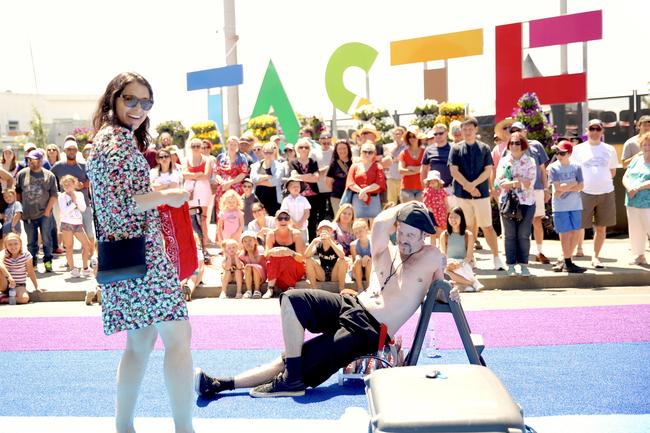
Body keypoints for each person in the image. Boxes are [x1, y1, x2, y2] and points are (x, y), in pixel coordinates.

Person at [193, 201, 455, 398]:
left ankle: (225, 384)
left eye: (412, 235)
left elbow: (440, 290)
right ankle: (290, 377)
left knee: (293, 360)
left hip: (369, 330)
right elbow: (380, 225)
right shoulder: (386, 252)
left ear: (424, 236)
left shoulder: (431, 256)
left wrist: (451, 292)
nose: (405, 239)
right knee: (293, 299)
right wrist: (405, 207)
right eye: (403, 232)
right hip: (351, 304)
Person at [86, 72, 194, 433]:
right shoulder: (116, 142)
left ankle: (124, 427)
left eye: (146, 102)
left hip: (123, 256)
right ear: (113, 99)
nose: (138, 108)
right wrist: (167, 196)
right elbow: (123, 205)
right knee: (177, 338)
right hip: (142, 255)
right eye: (130, 99)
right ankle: (184, 429)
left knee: (141, 341)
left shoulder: (106, 140)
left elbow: (113, 206)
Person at [448, 117, 506, 271]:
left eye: (470, 129)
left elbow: (488, 170)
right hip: (462, 194)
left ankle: (496, 258)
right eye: (464, 129)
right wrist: (467, 186)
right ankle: (470, 258)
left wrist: (473, 185)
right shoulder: (455, 149)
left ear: (475, 129)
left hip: (481, 194)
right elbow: (454, 170)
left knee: (487, 226)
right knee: (467, 227)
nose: (467, 132)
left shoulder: (484, 148)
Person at [569, 119, 619, 268]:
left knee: (601, 227)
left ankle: (596, 257)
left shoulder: (609, 149)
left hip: (606, 192)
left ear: (602, 131)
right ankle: (569, 256)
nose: (595, 132)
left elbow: (613, 172)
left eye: (598, 129)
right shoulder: (578, 149)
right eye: (592, 129)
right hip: (585, 192)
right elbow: (574, 170)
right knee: (578, 226)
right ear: (586, 131)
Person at [508, 122, 551, 265]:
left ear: (525, 131)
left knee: (537, 220)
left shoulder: (536, 145)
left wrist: (546, 188)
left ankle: (539, 252)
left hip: (536, 188)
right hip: (514, 191)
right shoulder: (510, 146)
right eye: (513, 130)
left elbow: (542, 170)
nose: (516, 132)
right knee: (516, 222)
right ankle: (520, 254)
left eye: (518, 130)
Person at [494, 132, 537, 276]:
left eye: (517, 143)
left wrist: (511, 183)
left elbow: (529, 183)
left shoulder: (530, 161)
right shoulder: (504, 161)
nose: (514, 146)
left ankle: (524, 265)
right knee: (510, 235)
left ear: (523, 144)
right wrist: (518, 182)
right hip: (507, 202)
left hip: (527, 202)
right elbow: (500, 183)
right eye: (511, 143)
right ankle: (511, 265)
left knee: (524, 235)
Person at [15, 149, 58, 273]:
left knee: (47, 239)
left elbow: (54, 195)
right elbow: (18, 192)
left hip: (45, 214)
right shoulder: (22, 174)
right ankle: (32, 263)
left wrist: (47, 210)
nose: (33, 163)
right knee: (31, 242)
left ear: (41, 160)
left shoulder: (49, 175)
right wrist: (20, 209)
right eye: (30, 160)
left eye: (35, 160)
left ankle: (48, 261)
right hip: (28, 214)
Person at [547, 140, 586, 273]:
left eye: (562, 153)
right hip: (560, 206)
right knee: (564, 234)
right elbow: (557, 187)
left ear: (569, 153)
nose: (558, 155)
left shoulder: (577, 167)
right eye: (557, 152)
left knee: (575, 232)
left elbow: (581, 186)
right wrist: (572, 184)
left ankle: (566, 260)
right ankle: (567, 262)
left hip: (575, 205)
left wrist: (565, 187)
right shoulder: (553, 167)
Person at [51, 136, 96, 247]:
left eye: (74, 149)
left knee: (89, 233)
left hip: (84, 204)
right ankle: (69, 261)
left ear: (77, 151)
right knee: (69, 236)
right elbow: (49, 179)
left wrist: (85, 184)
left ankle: (91, 259)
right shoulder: (58, 166)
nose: (71, 151)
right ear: (65, 151)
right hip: (67, 207)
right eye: (69, 149)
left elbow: (93, 180)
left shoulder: (84, 165)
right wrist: (57, 193)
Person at [58, 175, 94, 281]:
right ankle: (73, 268)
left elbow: (82, 208)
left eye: (69, 184)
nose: (67, 186)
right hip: (66, 224)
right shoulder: (61, 196)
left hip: (78, 223)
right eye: (65, 184)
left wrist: (75, 200)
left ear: (74, 184)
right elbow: (64, 211)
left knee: (87, 245)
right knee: (69, 247)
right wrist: (73, 202)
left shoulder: (79, 194)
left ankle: (85, 267)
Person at [263, 209, 306, 298]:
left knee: (287, 257)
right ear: (275, 221)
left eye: (286, 218)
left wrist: (290, 252)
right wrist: (275, 252)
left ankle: (290, 286)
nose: (283, 221)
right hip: (277, 272)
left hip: (295, 271)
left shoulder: (296, 234)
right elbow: (266, 255)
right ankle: (270, 288)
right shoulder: (271, 234)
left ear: (290, 221)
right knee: (274, 257)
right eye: (280, 218)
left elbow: (301, 258)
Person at [622, 131, 650, 265]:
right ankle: (640, 256)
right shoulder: (636, 159)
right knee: (635, 229)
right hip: (632, 201)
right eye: (645, 144)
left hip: (647, 202)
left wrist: (637, 188)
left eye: (649, 144)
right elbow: (625, 176)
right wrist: (629, 188)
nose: (647, 147)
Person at [440, 207, 483, 292]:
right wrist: (449, 263)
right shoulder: (444, 235)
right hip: (449, 263)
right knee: (445, 271)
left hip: (464, 263)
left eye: (455, 217)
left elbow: (469, 257)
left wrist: (460, 264)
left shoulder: (468, 235)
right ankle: (472, 283)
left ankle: (465, 285)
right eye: (450, 217)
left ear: (461, 218)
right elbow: (443, 253)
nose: (453, 220)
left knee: (460, 269)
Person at [346, 142, 386, 225]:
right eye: (365, 151)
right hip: (358, 198)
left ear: (374, 154)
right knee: (358, 223)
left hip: (373, 199)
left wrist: (364, 190)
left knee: (375, 223)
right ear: (360, 152)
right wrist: (361, 192)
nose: (367, 154)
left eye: (370, 152)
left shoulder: (378, 166)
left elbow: (379, 183)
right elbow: (350, 183)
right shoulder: (354, 166)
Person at [183, 137, 212, 251]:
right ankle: (194, 244)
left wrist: (192, 175)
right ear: (190, 148)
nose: (195, 148)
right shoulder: (186, 159)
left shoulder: (207, 159)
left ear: (201, 148)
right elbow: (184, 174)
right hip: (190, 191)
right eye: (193, 146)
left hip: (203, 191)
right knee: (191, 218)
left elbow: (206, 175)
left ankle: (204, 244)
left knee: (203, 218)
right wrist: (198, 174)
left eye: (198, 146)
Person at [289, 138, 321, 240]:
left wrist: (301, 176)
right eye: (301, 147)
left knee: (312, 221)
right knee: (297, 220)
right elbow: (294, 177)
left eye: (306, 147)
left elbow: (316, 178)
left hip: (313, 197)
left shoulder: (313, 162)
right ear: (297, 149)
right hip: (298, 196)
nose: (303, 149)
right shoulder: (293, 162)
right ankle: (297, 242)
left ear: (309, 149)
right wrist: (309, 175)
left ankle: (312, 243)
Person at [304, 220, 348, 293]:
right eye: (323, 229)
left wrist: (330, 241)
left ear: (331, 231)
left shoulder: (336, 244)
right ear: (318, 232)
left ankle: (341, 289)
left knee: (342, 260)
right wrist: (313, 241)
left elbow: (342, 255)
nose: (325, 231)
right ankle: (314, 290)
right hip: (322, 274)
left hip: (335, 274)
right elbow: (306, 255)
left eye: (328, 229)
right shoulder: (318, 244)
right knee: (308, 260)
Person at [214, 136, 249, 224]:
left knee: (235, 212)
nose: (232, 146)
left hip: (236, 189)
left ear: (237, 146)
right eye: (230, 144)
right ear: (227, 145)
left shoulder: (242, 158)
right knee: (222, 211)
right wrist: (222, 182)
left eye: (234, 144)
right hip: (222, 188)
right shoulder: (220, 157)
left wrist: (230, 182)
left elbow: (243, 173)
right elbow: (216, 173)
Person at [0, 233, 40, 304]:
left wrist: (36, 286)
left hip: (19, 284)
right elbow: (0, 263)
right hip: (5, 283)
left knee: (24, 299)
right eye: (10, 244)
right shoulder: (4, 253)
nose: (13, 246)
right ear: (6, 246)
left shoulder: (26, 254)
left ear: (20, 244)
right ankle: (5, 292)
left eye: (16, 243)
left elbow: (30, 271)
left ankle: (4, 299)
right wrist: (9, 277)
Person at [420, 123, 454, 203]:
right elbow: (423, 169)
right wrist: (425, 187)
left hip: (451, 188)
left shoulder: (454, 148)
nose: (438, 136)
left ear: (446, 133)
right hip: (434, 189)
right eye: (435, 134)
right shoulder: (429, 150)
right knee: (435, 214)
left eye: (441, 133)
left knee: (452, 214)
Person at [250, 142, 283, 217]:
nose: (268, 155)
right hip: (258, 200)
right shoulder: (255, 166)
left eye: (270, 152)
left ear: (274, 152)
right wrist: (267, 177)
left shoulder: (279, 166)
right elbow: (253, 179)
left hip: (274, 201)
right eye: (266, 152)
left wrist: (259, 182)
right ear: (262, 152)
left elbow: (275, 182)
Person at [280, 176, 311, 243]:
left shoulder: (304, 199)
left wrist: (301, 222)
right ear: (288, 188)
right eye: (293, 186)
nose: (296, 188)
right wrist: (294, 223)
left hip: (302, 227)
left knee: (303, 243)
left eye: (298, 186)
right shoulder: (286, 200)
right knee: (291, 243)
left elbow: (307, 212)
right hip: (290, 227)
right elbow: (285, 212)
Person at [398, 126, 425, 202]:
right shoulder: (403, 153)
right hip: (406, 188)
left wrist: (410, 168)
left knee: (421, 212)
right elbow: (401, 171)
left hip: (422, 188)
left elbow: (428, 169)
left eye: (414, 136)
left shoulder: (425, 152)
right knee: (409, 212)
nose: (412, 139)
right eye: (409, 137)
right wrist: (419, 169)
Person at [325, 139, 352, 215]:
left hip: (352, 196)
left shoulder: (353, 162)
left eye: (344, 148)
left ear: (348, 149)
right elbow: (328, 182)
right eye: (339, 149)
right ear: (336, 151)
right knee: (338, 218)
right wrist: (336, 189)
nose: (342, 151)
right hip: (337, 197)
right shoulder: (333, 164)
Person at [421, 170, 448, 246]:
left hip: (441, 213)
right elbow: (425, 203)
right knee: (432, 232)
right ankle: (433, 247)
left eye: (434, 180)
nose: (432, 182)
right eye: (430, 181)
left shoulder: (443, 191)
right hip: (431, 213)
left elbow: (446, 202)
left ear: (439, 182)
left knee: (440, 231)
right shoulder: (427, 191)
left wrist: (447, 211)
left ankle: (441, 246)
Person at [314, 131, 335, 220]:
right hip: (320, 187)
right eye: (324, 142)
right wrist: (324, 169)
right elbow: (312, 170)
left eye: (328, 142)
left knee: (333, 211)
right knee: (321, 212)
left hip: (333, 187)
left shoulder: (334, 151)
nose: (326, 144)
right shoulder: (314, 153)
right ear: (319, 141)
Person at [240, 230, 267, 299]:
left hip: (261, 275)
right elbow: (240, 265)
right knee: (247, 267)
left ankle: (257, 290)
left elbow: (255, 263)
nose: (247, 243)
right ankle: (249, 290)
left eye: (250, 240)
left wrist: (250, 252)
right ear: (242, 243)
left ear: (255, 241)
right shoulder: (242, 253)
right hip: (249, 276)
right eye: (245, 241)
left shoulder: (260, 249)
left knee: (254, 266)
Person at [384, 126, 406, 204]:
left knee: (403, 201)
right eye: (395, 134)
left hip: (403, 178)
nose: (397, 136)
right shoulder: (387, 146)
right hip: (391, 177)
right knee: (391, 202)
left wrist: (394, 159)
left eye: (400, 134)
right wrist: (394, 148)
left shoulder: (407, 147)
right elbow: (386, 159)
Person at [350, 219, 372, 292]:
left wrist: (367, 257)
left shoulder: (372, 243)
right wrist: (357, 257)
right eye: (356, 233)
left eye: (360, 231)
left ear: (366, 229)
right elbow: (354, 263)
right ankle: (360, 288)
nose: (358, 234)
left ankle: (369, 287)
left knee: (369, 261)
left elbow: (376, 260)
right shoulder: (353, 245)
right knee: (358, 259)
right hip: (358, 270)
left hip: (370, 268)